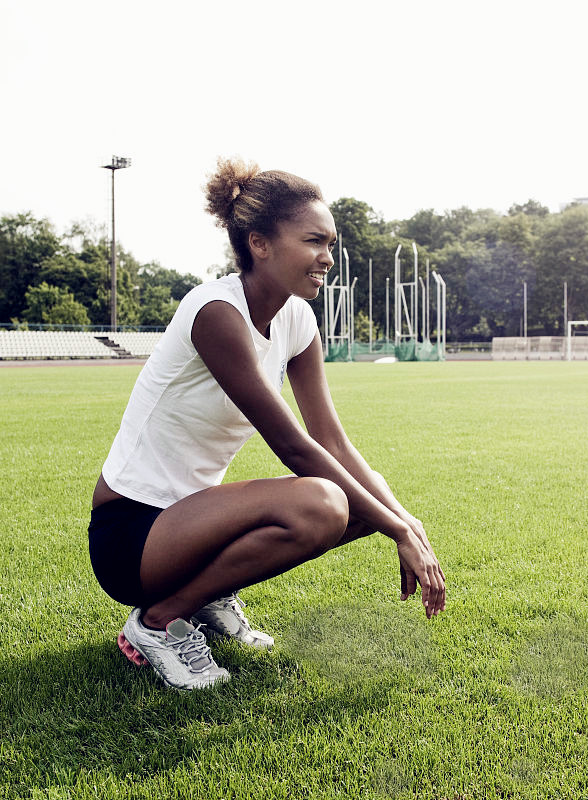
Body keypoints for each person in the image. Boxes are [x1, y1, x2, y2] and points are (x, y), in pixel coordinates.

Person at [89, 158, 445, 690]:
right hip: (133, 534)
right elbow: (294, 447)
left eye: (330, 244)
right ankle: (160, 621)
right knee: (323, 503)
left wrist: (404, 520)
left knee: (368, 501)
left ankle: (206, 597)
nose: (327, 258)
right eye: (313, 242)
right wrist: (399, 528)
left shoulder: (299, 320)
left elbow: (332, 441)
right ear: (260, 244)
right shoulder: (216, 313)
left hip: (192, 523)